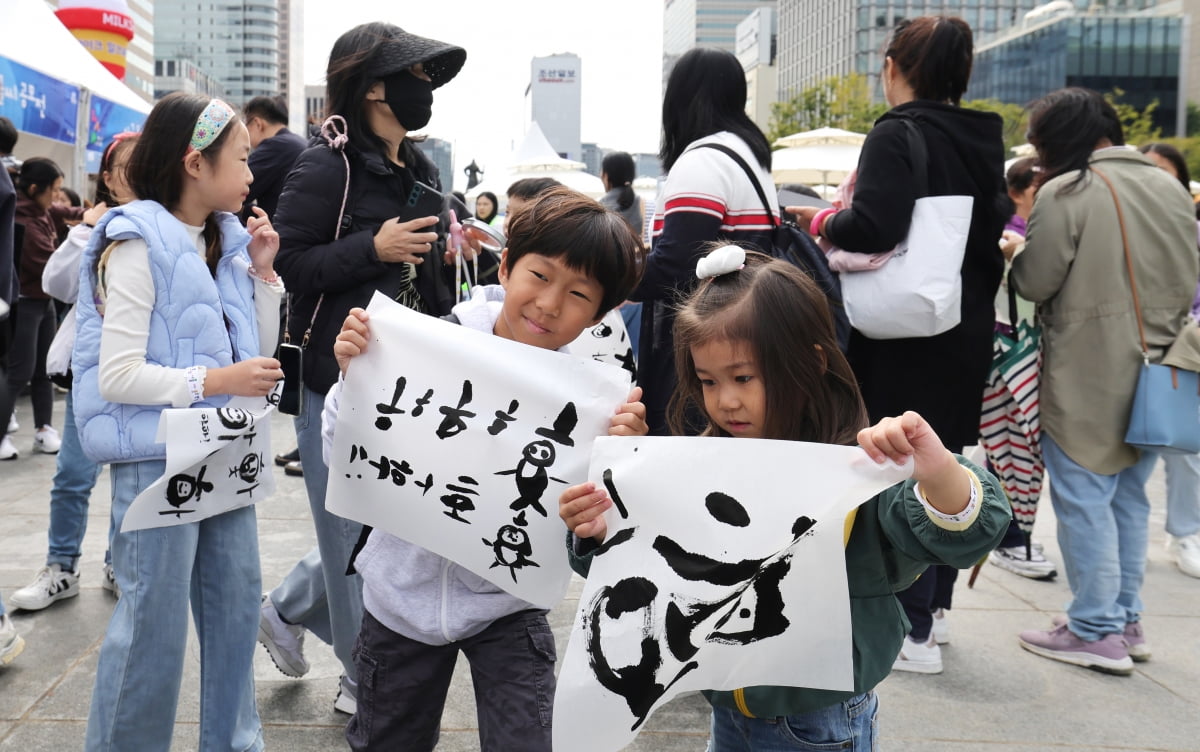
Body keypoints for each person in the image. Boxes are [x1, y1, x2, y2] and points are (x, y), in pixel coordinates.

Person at [560, 249, 1010, 752]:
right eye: (708, 381)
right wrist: (603, 519)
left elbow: (966, 531)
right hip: (729, 704)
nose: (725, 399)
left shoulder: (858, 466)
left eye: (743, 377)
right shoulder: (706, 465)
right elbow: (648, 562)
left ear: (811, 361)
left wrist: (937, 468)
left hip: (820, 717)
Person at [328, 187, 646, 751]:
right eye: (540, 276)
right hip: (400, 595)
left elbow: (596, 537)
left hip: (510, 601)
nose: (550, 303)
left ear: (600, 314)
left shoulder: (595, 407)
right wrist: (354, 382)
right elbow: (343, 453)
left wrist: (618, 471)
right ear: (505, 265)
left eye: (578, 294)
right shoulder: (433, 342)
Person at [258, 22, 467, 714]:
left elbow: (429, 285)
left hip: (410, 386)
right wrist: (371, 247)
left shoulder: (425, 170)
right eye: (417, 76)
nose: (426, 89)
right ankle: (361, 679)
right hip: (337, 379)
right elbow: (291, 263)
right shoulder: (328, 165)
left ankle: (284, 610)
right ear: (375, 85)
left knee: (391, 532)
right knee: (351, 539)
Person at [792, 17, 1009, 673]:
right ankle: (933, 618)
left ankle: (909, 627)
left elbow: (873, 225)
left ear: (892, 67)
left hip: (898, 335)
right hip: (962, 331)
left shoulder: (898, 132)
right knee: (944, 463)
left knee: (890, 461)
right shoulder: (982, 139)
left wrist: (821, 218)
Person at [73, 93, 284, 751]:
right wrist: (214, 383)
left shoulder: (225, 242)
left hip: (220, 452)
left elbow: (257, 362)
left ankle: (235, 742)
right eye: (241, 158)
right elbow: (116, 377)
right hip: (156, 459)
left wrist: (266, 278)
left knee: (235, 605)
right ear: (195, 162)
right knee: (152, 628)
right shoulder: (134, 239)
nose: (251, 175)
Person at [1011, 88, 1198, 674]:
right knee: (1129, 499)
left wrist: (1016, 251)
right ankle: (1126, 619)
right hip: (1159, 372)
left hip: (1087, 370)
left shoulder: (1069, 191)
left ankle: (1094, 628)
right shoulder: (1171, 186)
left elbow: (1036, 281)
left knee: (1083, 498)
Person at [8, 134, 138, 613]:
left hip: (143, 375)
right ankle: (61, 566)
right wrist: (87, 234)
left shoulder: (164, 225)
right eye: (123, 165)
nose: (133, 172)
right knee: (72, 476)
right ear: (106, 177)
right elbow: (54, 284)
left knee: (131, 480)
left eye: (142, 163)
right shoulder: (90, 229)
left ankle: (118, 563)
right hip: (92, 372)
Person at [632, 47, 777, 436]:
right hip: (750, 335)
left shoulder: (702, 162)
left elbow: (677, 265)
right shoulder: (751, 157)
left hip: (705, 344)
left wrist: (610, 277)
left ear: (679, 99)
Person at [986, 156, 1059, 581]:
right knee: (1010, 446)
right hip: (1010, 356)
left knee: (1019, 450)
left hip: (1027, 354)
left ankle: (1014, 535)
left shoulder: (1037, 234)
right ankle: (1011, 538)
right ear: (1015, 192)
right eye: (1038, 187)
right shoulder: (1008, 236)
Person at [1137, 142, 1200, 580]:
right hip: (1130, 353)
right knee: (1129, 455)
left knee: (1184, 449)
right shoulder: (1124, 227)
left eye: (1167, 174)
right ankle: (1126, 536)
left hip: (1184, 353)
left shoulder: (1192, 231)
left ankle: (1184, 533)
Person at [1, 157, 85, 460]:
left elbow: (66, 211)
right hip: (24, 303)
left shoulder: (42, 209)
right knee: (18, 371)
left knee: (44, 371)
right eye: (54, 190)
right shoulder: (22, 217)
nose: (56, 197)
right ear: (35, 188)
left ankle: (43, 429)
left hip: (43, 303)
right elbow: (48, 266)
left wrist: (90, 214)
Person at [241, 95, 308, 222]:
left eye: (246, 125)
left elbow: (235, 189)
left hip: (281, 234)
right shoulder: (300, 143)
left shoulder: (274, 146)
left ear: (257, 123)